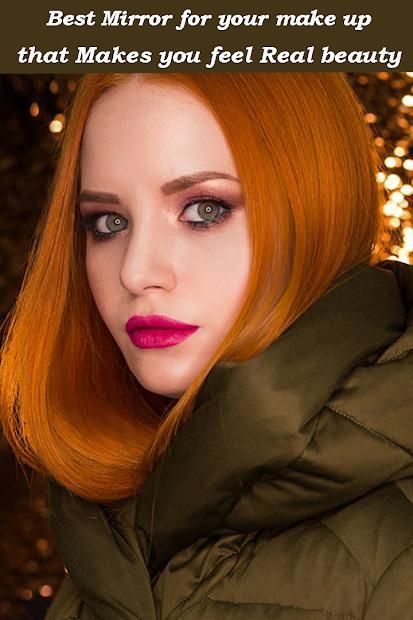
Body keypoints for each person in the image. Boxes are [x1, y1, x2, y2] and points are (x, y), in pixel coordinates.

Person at [1, 73, 412, 619]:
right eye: (108, 222)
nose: (135, 271)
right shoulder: (108, 536)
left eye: (205, 210)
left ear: (319, 210)